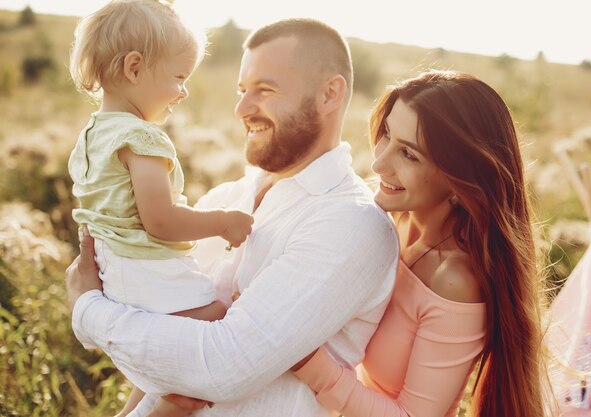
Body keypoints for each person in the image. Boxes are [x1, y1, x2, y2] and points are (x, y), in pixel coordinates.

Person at [65, 18, 399, 417]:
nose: (241, 108)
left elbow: (221, 368)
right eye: (242, 90)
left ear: (330, 94)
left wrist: (88, 310)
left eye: (265, 90)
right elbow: (168, 357)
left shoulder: (352, 223)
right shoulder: (223, 199)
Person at [291, 70, 558, 417]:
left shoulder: (454, 281)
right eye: (386, 134)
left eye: (409, 155)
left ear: (459, 180)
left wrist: (307, 361)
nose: (378, 162)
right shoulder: (385, 223)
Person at [67, 1, 254, 415]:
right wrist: (224, 222)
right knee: (219, 313)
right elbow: (160, 221)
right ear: (134, 68)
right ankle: (173, 400)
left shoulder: (92, 134)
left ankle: (140, 407)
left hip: (114, 268)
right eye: (179, 77)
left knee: (160, 349)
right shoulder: (142, 138)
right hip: (146, 266)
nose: (184, 91)